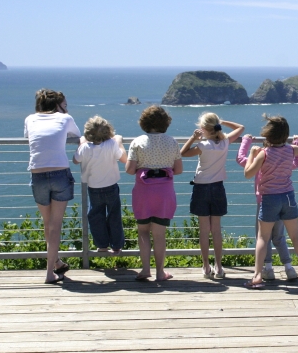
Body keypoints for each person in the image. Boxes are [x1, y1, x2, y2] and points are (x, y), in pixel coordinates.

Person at [243, 114, 298, 288]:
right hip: (288, 196)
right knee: (296, 236)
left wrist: (252, 154)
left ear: (267, 135)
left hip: (270, 198)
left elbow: (248, 173)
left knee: (263, 237)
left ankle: (257, 276)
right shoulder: (291, 150)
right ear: (286, 135)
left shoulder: (263, 154)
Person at [24, 89, 81, 284]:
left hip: (37, 174)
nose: (66, 108)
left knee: (47, 223)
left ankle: (55, 263)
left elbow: (29, 138)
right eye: (64, 104)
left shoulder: (30, 119)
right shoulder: (65, 118)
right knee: (55, 225)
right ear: (57, 105)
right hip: (59, 174)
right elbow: (77, 135)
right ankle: (50, 272)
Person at [181, 113, 244, 279]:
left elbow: (183, 152)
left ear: (203, 129)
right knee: (216, 230)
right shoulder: (224, 142)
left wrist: (193, 138)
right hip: (218, 188)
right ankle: (219, 266)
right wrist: (222, 122)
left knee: (204, 231)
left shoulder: (202, 145)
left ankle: (206, 267)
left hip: (201, 188)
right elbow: (240, 128)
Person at [126, 105, 183, 281]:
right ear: (165, 122)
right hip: (164, 192)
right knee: (159, 233)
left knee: (143, 231)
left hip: (143, 192)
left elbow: (129, 170)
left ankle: (145, 270)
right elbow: (179, 169)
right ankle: (160, 272)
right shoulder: (172, 142)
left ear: (144, 122)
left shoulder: (137, 142)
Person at [236, 133, 298, 281]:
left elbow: (240, 159)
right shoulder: (283, 161)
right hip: (281, 198)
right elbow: (297, 161)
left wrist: (246, 142)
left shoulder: (256, 162)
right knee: (279, 236)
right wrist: (296, 141)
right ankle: (289, 268)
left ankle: (268, 268)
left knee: (262, 238)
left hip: (264, 201)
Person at [73, 116, 127, 254]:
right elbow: (123, 159)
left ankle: (102, 245)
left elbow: (75, 160)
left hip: (94, 188)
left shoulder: (85, 147)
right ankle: (116, 245)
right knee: (114, 215)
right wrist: (119, 141)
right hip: (111, 186)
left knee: (96, 216)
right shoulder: (111, 144)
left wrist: (81, 143)